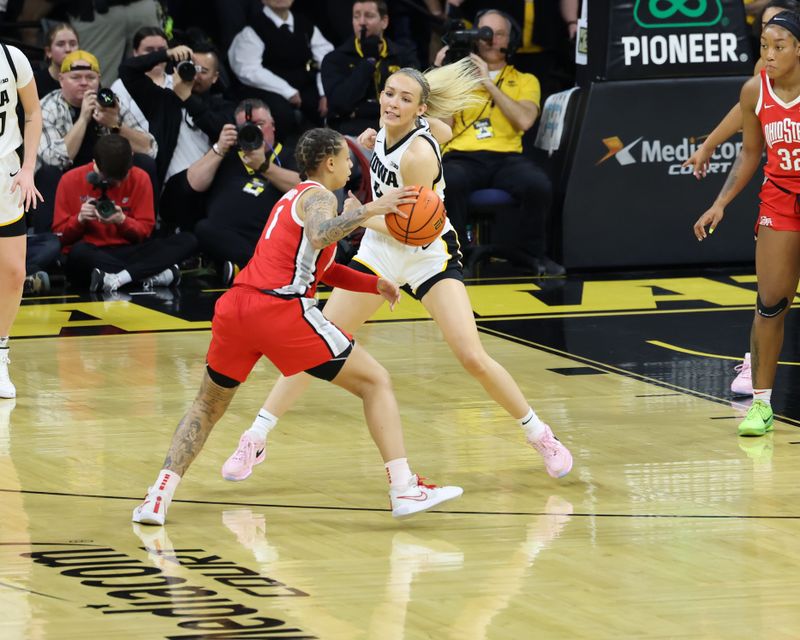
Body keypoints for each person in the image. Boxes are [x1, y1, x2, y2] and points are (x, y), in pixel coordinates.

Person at [221, 60, 573, 484]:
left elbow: (408, 231)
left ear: (420, 109)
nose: (392, 102)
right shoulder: (395, 129)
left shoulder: (419, 154)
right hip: (380, 250)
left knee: (471, 355)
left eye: (405, 99)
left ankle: (540, 435)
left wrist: (356, 214)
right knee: (315, 347)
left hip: (426, 253)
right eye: (389, 93)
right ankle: (255, 437)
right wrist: (371, 154)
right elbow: (438, 136)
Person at [132, 127, 462, 525]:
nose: (350, 165)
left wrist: (372, 282)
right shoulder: (319, 196)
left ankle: (157, 497)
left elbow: (321, 266)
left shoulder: (289, 199)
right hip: (280, 311)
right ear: (329, 163)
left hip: (237, 309)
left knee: (207, 404)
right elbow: (322, 234)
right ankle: (403, 488)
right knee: (375, 382)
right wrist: (372, 209)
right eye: (345, 158)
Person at [683, 0, 799, 398]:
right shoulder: (757, 86)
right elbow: (750, 149)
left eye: (778, 45)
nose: (768, 54)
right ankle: (761, 402)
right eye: (764, 44)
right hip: (780, 201)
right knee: (769, 303)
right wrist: (720, 202)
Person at [436, 9, 564, 276]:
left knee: (537, 185)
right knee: (450, 180)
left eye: (499, 34)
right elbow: (443, 129)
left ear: (511, 40)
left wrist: (488, 83)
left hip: (507, 158)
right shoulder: (457, 78)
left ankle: (532, 256)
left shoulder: (525, 80)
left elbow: (525, 120)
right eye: (484, 33)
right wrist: (443, 75)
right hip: (463, 156)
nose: (491, 40)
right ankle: (452, 259)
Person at [52, 134, 197, 292]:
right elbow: (59, 237)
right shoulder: (70, 180)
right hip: (93, 253)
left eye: (124, 176)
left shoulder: (141, 178)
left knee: (188, 240)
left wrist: (122, 220)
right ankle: (147, 275)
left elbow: (145, 231)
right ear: (96, 165)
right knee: (78, 254)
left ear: (132, 159)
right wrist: (79, 219)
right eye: (112, 180)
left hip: (129, 250)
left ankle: (119, 279)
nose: (120, 184)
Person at [36, 49, 157, 233]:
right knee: (47, 173)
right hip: (69, 178)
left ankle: (145, 229)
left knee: (144, 163)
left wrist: (115, 124)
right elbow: (53, 160)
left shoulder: (110, 103)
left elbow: (150, 149)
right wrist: (84, 118)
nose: (84, 83)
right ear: (61, 79)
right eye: (76, 77)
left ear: (99, 79)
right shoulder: (48, 107)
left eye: (90, 78)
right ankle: (51, 240)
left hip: (111, 174)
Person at [188, 99, 301, 285]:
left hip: (268, 236)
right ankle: (256, 270)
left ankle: (248, 270)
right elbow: (193, 182)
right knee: (202, 228)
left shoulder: (289, 155)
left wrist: (264, 167)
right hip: (227, 236)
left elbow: (305, 187)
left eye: (259, 125)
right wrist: (219, 148)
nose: (254, 131)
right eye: (245, 127)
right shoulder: (228, 157)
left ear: (273, 125)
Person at [0, 42, 44, 398]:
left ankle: (0, 355)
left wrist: (28, 167)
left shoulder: (13, 58)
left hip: (7, 177)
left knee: (14, 273)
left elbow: (32, 113)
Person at [227, 0, 333, 140]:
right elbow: (248, 69)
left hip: (305, 84)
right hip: (270, 90)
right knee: (280, 113)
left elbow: (327, 58)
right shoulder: (253, 29)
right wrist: (287, 91)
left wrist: (324, 92)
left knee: (333, 102)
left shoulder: (305, 24)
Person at [321, 0, 419, 137]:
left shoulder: (403, 56)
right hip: (351, 133)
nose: (361, 22)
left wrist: (359, 110)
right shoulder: (335, 59)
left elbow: (412, 101)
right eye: (356, 16)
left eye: (369, 16)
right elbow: (339, 105)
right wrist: (368, 63)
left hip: (397, 129)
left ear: (384, 21)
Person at [33, 23, 80, 99]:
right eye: (60, 44)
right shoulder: (35, 83)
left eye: (72, 44)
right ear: (48, 51)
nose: (68, 49)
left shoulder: (88, 78)